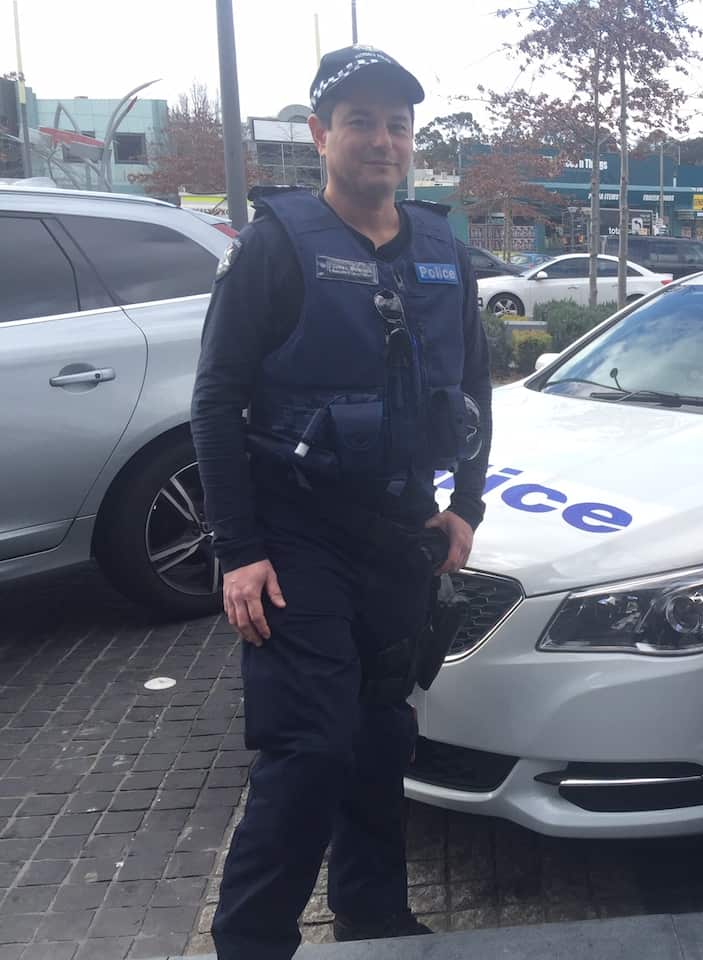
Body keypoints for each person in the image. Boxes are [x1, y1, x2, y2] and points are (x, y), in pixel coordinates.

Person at [191, 45, 491, 959]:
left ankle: (373, 914)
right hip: (296, 536)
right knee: (309, 749)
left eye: (397, 124)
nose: (382, 139)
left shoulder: (444, 247)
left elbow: (474, 387)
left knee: (379, 737)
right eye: (360, 121)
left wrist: (465, 504)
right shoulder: (276, 246)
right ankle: (251, 940)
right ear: (321, 135)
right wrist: (238, 548)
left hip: (400, 534)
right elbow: (214, 399)